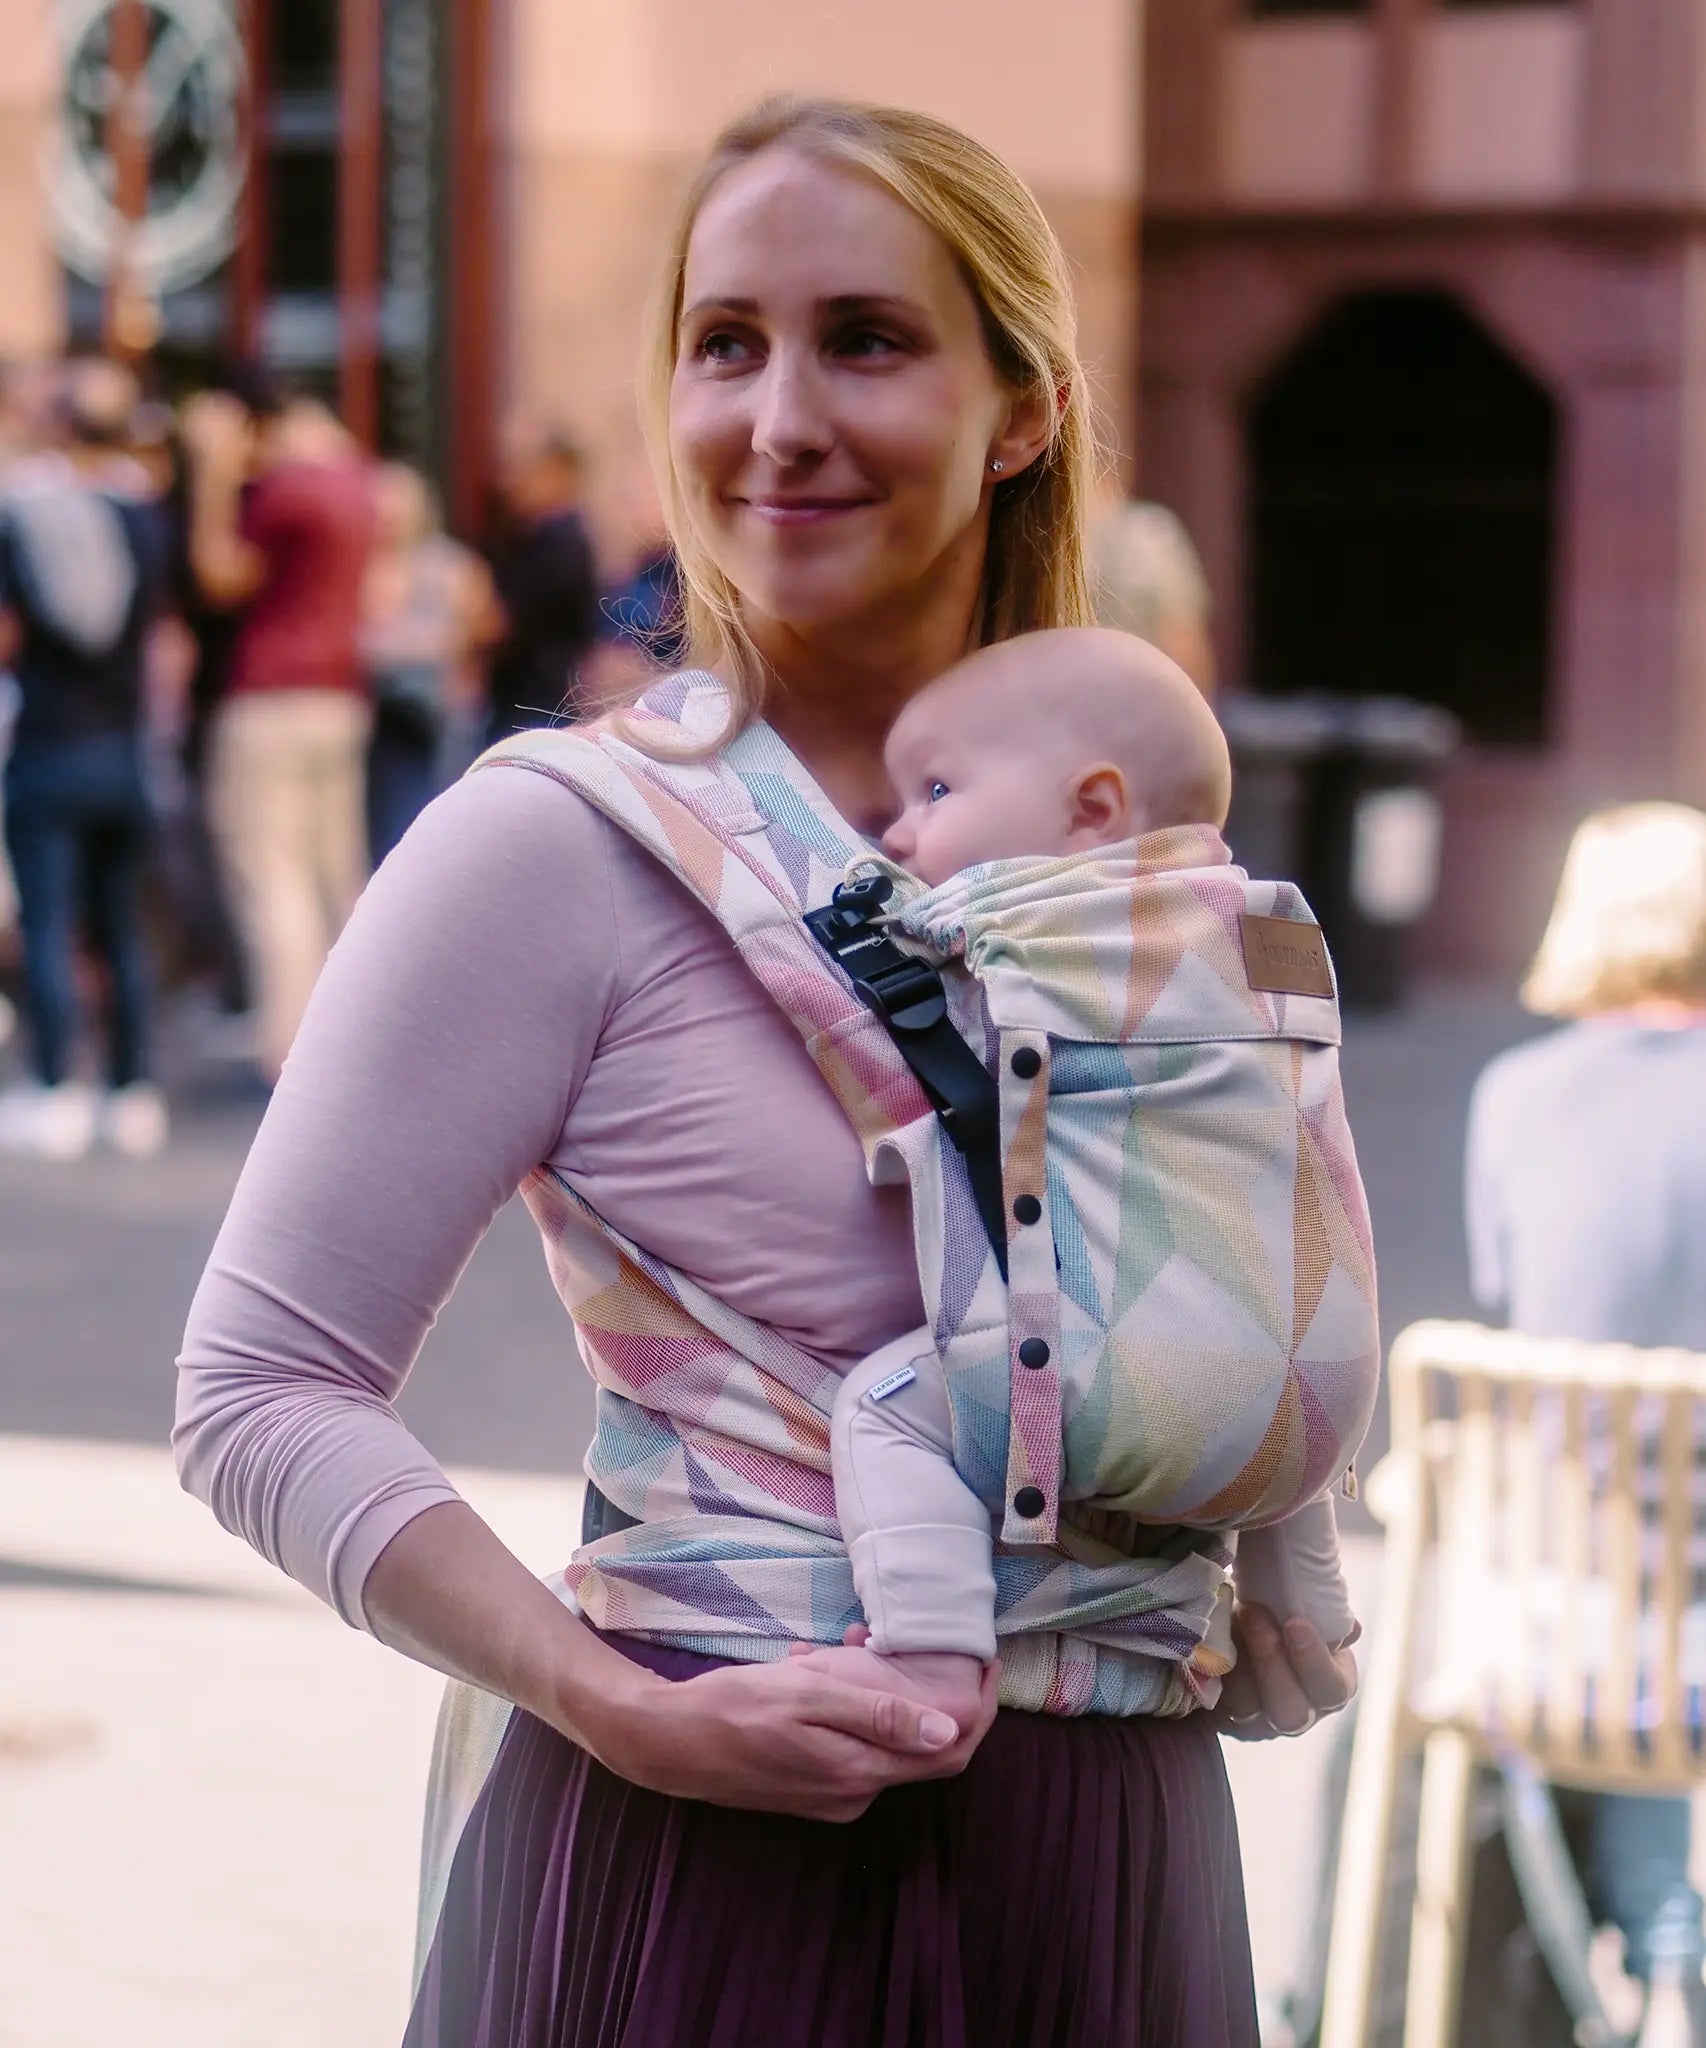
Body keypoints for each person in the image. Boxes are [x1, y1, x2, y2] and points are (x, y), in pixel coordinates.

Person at [175, 97, 1355, 2047]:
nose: (778, 414)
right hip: (706, 1863)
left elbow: (1249, 1212)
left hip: (1106, 1851)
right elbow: (256, 1391)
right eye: (724, 343)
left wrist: (1274, 1526)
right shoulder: (559, 845)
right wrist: (616, 1701)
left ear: (1021, 409)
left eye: (864, 340)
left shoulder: (1132, 839)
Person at [803, 628, 1373, 1730]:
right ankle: (1311, 1620)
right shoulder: (1268, 939)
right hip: (1317, 1394)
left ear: (1093, 810)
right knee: (1265, 1361)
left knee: (885, 1411)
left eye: (934, 787)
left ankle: (925, 1655)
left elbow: (867, 944)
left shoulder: (1024, 925)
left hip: (1117, 1386)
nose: (898, 827)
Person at [1466, 802, 1706, 2011]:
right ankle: (1667, 1945)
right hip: (1679, 1625)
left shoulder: (1513, 1093)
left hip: (1548, 1615)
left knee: (1632, 1587)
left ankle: (1636, 1952)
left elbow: (1509, 1297)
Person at [180, 381, 378, 1084]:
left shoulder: (288, 487)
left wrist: (211, 474)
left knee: (271, 876)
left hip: (271, 698)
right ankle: (356, 1034)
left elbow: (220, 575)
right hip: (340, 693)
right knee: (333, 871)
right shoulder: (359, 481)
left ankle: (291, 1048)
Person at [0, 358, 168, 1159]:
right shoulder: (143, 517)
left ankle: (57, 1084)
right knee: (118, 925)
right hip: (123, 743)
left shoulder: (26, 518)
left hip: (49, 743)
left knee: (48, 923)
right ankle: (131, 1088)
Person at [361, 462, 500, 866]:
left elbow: (479, 626)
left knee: (430, 809)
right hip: (377, 712)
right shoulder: (367, 565)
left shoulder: (447, 564)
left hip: (435, 709)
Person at [483, 419, 601, 740]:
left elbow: (498, 626)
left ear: (557, 471)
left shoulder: (559, 546)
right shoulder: (532, 538)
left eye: (522, 467)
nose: (509, 482)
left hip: (536, 707)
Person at [1089, 471, 1216, 695]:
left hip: (1071, 704)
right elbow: (1184, 638)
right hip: (1139, 702)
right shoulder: (1152, 534)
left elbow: (1184, 637)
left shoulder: (1152, 534)